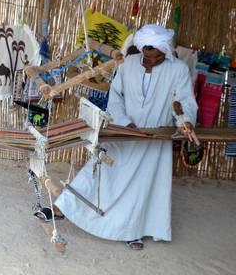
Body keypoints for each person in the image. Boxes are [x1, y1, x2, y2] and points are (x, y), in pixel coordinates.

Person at [34, 24, 199, 250]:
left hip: (155, 138)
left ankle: (133, 232)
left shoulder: (178, 69)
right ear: (141, 51)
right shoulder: (128, 64)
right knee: (101, 169)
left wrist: (185, 122)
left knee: (142, 185)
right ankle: (63, 208)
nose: (152, 61)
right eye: (148, 57)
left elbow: (184, 103)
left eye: (158, 57)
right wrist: (123, 122)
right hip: (123, 130)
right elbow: (116, 98)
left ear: (166, 52)